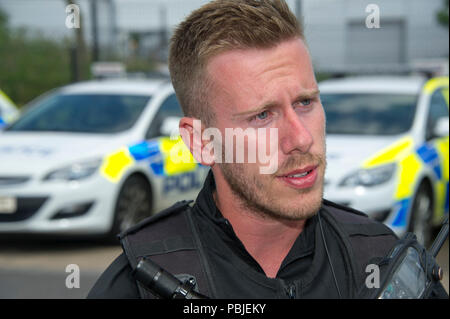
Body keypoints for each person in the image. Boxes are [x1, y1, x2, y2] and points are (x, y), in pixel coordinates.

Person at [88, 0, 447, 299]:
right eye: (262, 115)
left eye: (306, 102)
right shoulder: (137, 283)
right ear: (202, 142)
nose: (301, 138)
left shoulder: (379, 261)